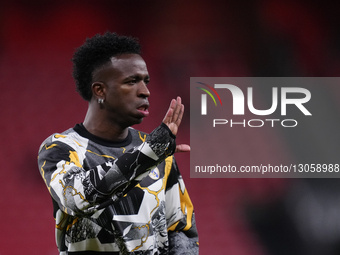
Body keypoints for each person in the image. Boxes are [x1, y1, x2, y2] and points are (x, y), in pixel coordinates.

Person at [37, 32, 199, 255]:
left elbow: (180, 229)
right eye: (132, 81)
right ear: (100, 90)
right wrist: (148, 154)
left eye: (146, 81)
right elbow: (77, 199)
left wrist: (152, 152)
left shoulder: (156, 151)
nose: (145, 91)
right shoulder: (60, 148)